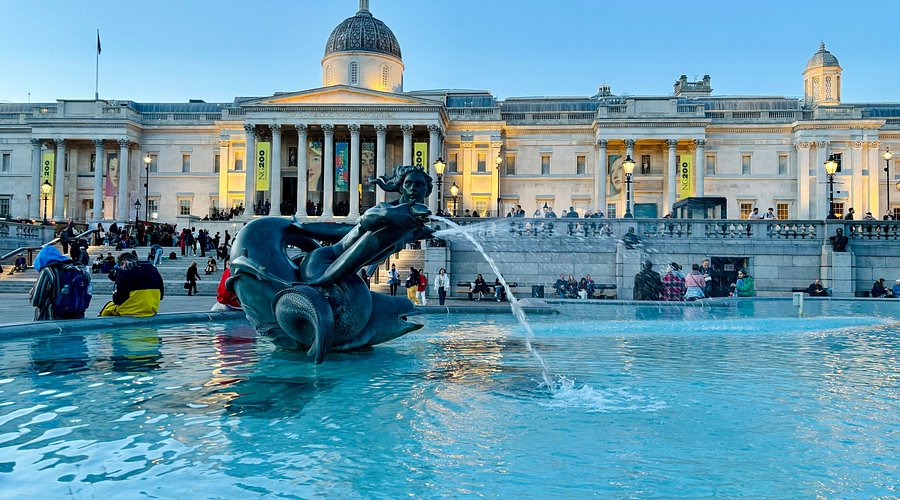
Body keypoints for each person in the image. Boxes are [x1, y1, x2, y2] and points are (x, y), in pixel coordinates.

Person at [29, 245, 92, 320]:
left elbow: (36, 301)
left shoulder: (48, 272)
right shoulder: (81, 272)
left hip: (51, 318)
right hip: (77, 318)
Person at [99, 252, 164, 317]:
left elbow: (117, 300)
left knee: (108, 307)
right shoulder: (153, 270)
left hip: (130, 311)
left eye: (121, 266)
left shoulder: (125, 273)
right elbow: (161, 296)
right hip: (150, 310)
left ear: (124, 262)